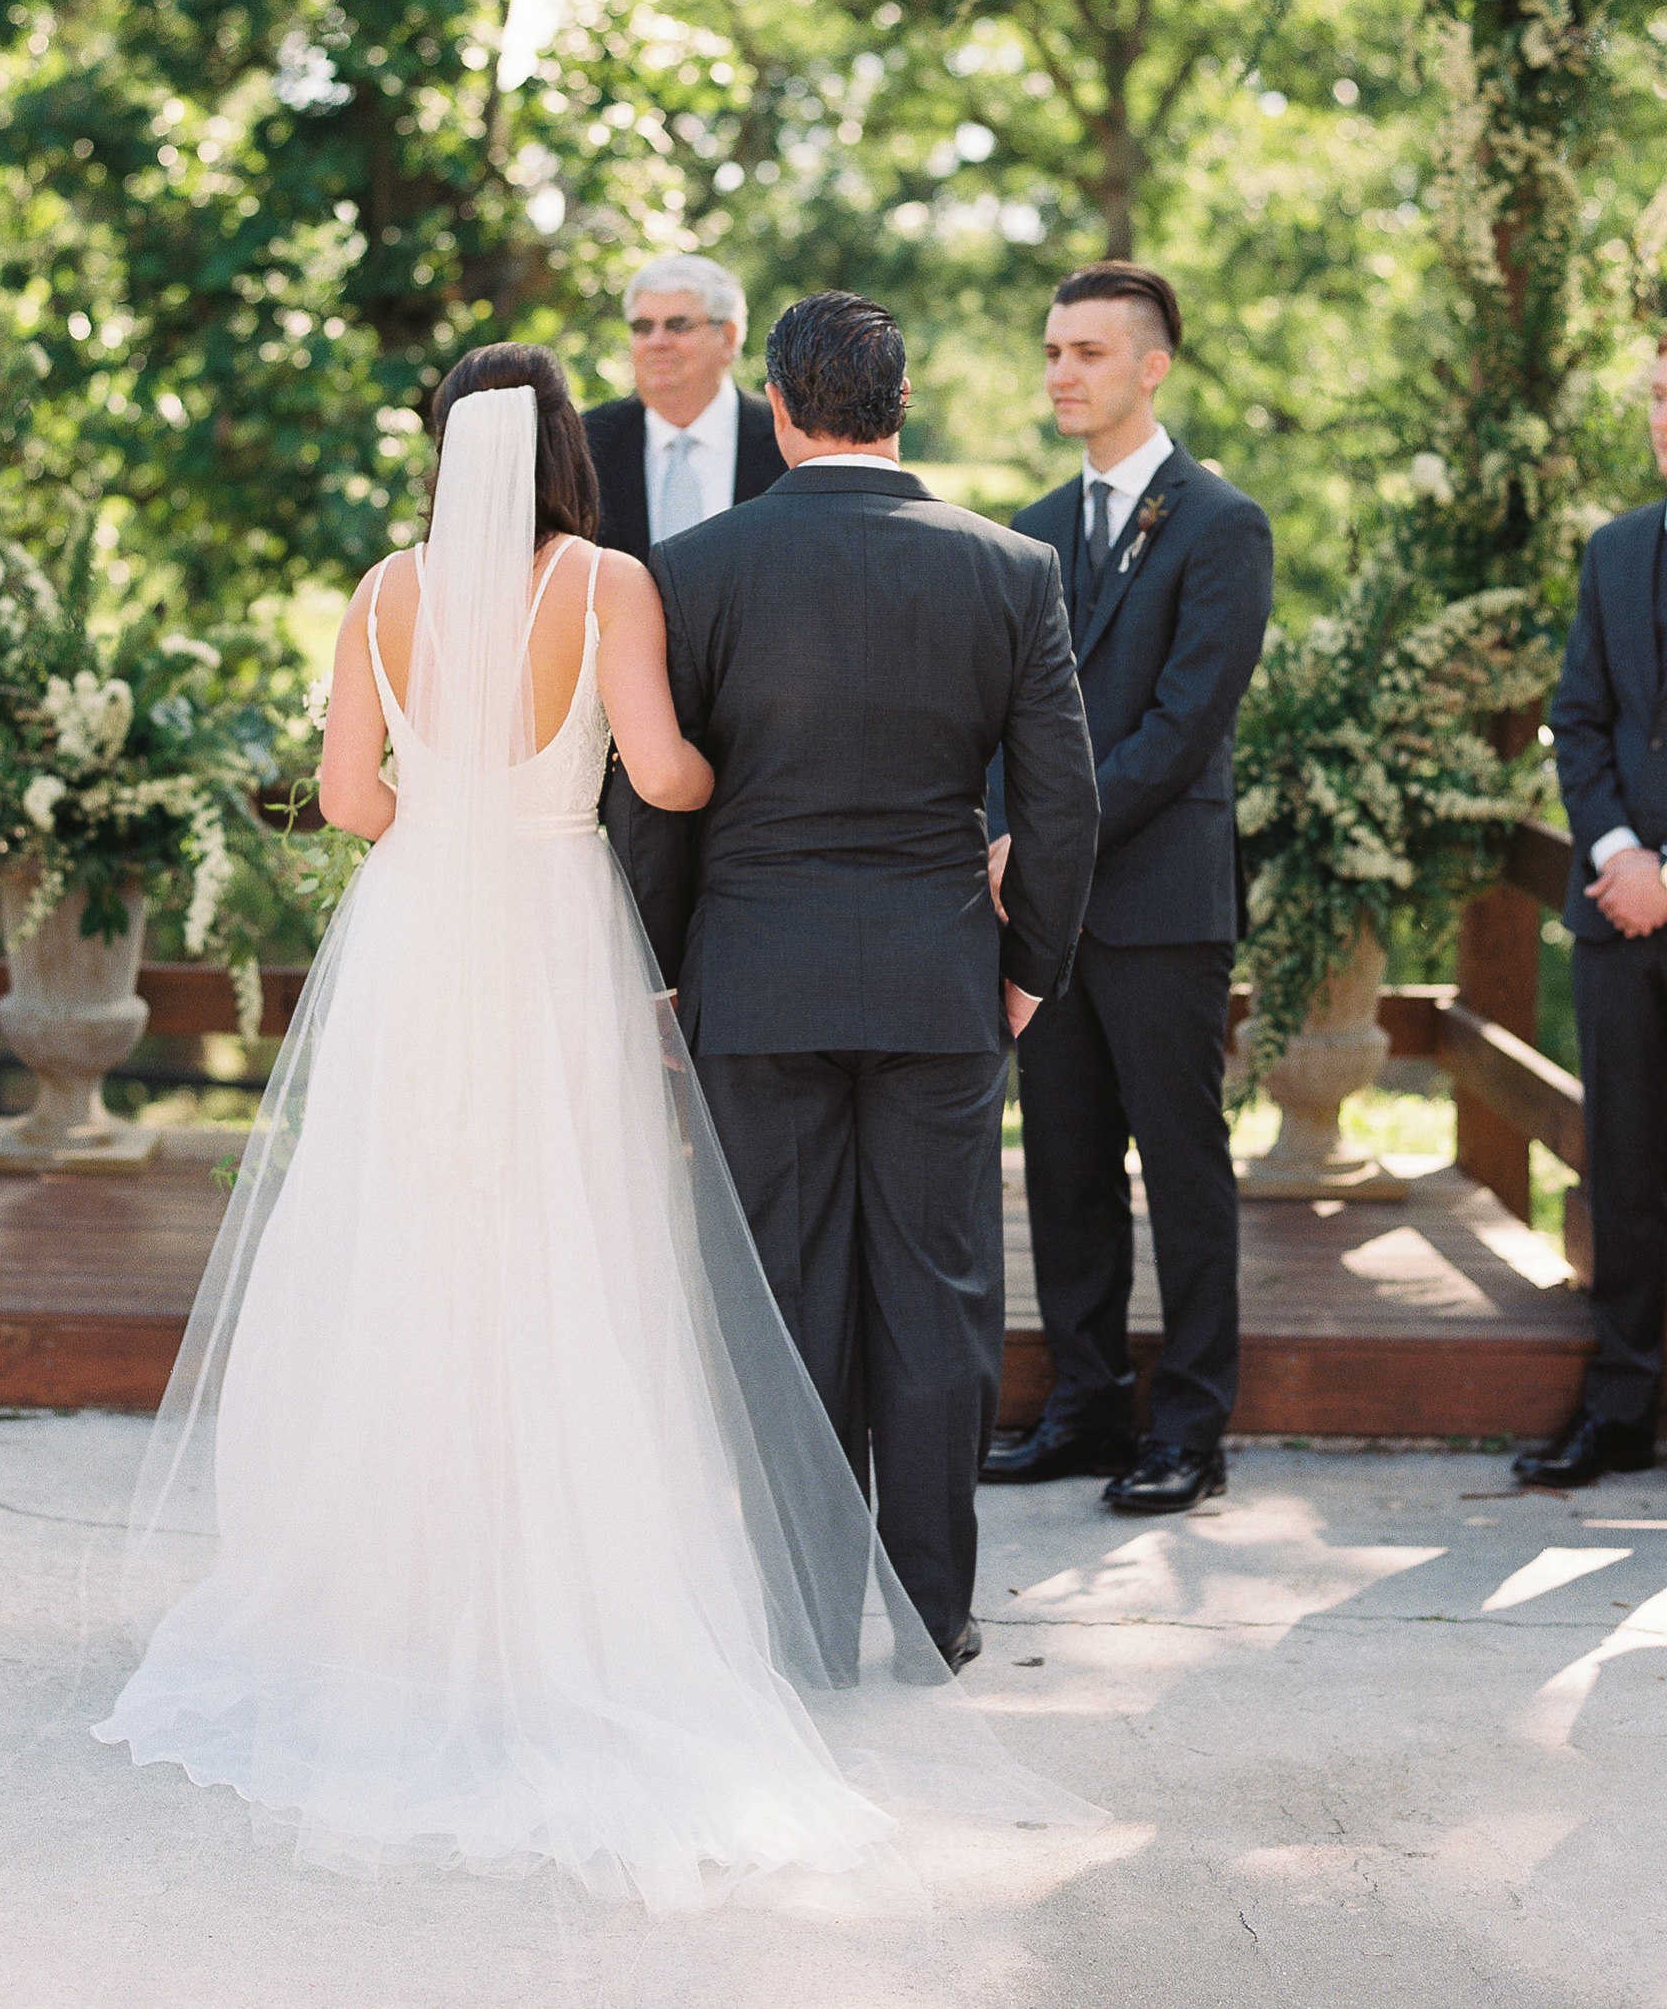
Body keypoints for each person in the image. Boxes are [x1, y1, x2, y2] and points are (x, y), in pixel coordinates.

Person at [94, 341, 1097, 1913]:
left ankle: (507, 1599)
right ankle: (855, 1600)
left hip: (447, 939)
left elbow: (353, 801)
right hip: (676, 944)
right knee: (700, 1257)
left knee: (443, 1243)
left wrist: (488, 813)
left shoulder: (407, 591)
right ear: (574, 443)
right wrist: (1011, 953)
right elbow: (686, 772)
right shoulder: (650, 580)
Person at [608, 292, 1100, 1672]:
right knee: (939, 1299)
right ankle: (934, 1616)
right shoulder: (1010, 570)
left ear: (776, 406)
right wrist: (1027, 973)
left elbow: (650, 806)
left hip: (754, 990)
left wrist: (662, 977)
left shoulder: (693, 569)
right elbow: (1064, 808)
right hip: (943, 983)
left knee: (787, 1301)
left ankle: (805, 1625)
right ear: (901, 407)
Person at [982, 263, 1273, 1515]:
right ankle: (1087, 1401)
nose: (1061, 371)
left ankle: (1192, 1426)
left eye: (1087, 352)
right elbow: (999, 718)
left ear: (1151, 366)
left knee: (1182, 1162)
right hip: (1048, 915)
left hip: (1162, 904)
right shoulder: (1035, 528)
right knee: (1061, 1160)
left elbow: (1183, 722)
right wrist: (1003, 839)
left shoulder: (1221, 523)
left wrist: (1043, 838)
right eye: (1052, 349)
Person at [1513, 345, 1667, 1490]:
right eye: (1659, 395)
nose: (1666, 417)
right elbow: (1583, 712)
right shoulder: (1616, 548)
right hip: (1621, 918)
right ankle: (1620, 1405)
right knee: (1623, 1167)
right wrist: (1618, 852)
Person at [581, 251, 785, 557]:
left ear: (728, 337)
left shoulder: (788, 437)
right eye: (643, 327)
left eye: (678, 326)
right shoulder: (587, 441)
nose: (657, 342)